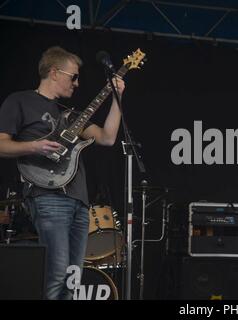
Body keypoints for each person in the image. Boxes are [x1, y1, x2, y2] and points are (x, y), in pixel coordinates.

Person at [0, 46, 125, 300]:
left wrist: (117, 99)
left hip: (80, 200)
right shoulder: (19, 101)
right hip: (47, 195)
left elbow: (108, 138)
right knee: (56, 273)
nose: (77, 84)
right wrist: (34, 145)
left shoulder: (72, 116)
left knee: (72, 276)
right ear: (55, 73)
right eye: (73, 76)